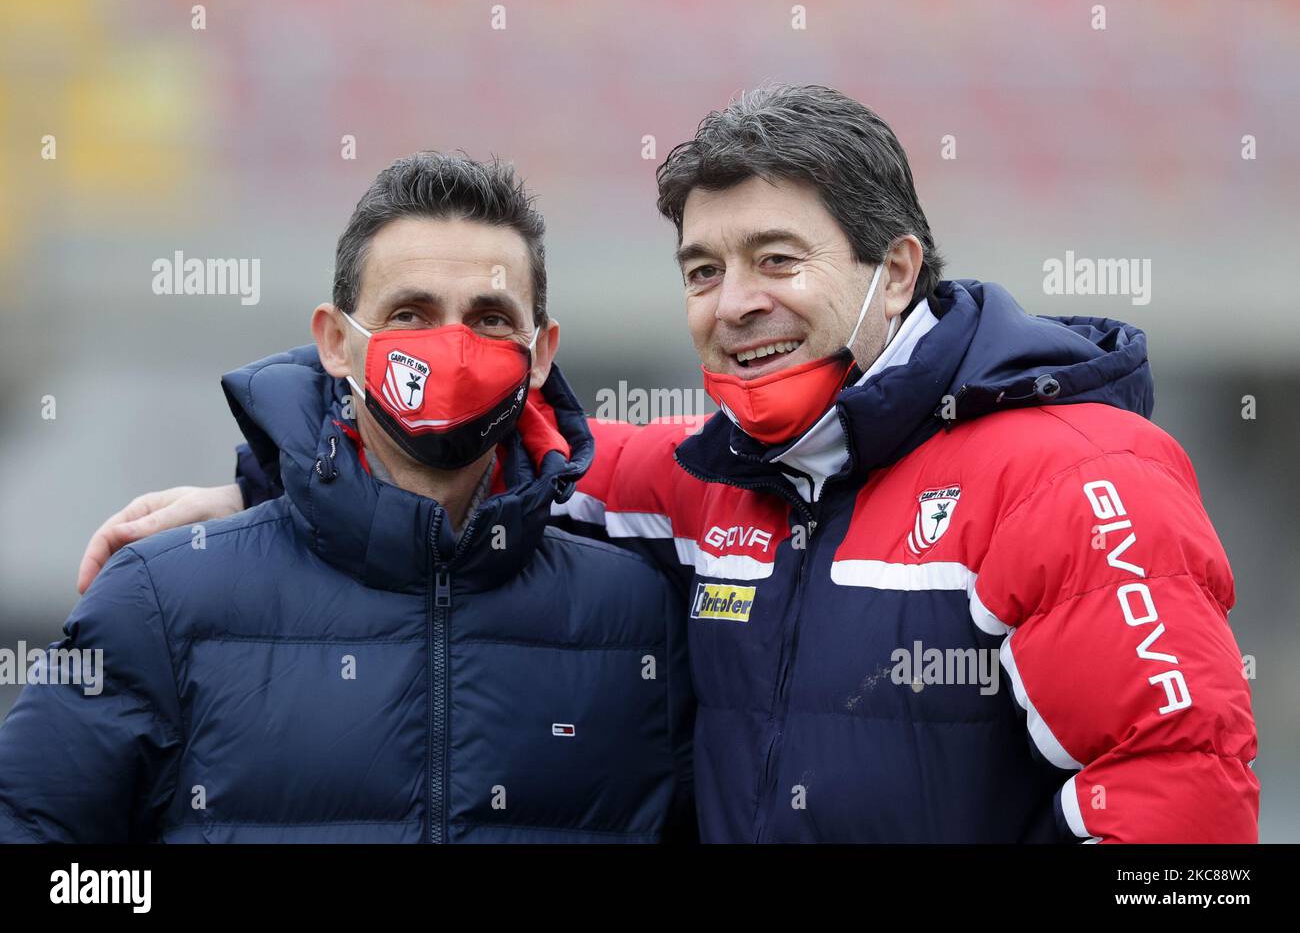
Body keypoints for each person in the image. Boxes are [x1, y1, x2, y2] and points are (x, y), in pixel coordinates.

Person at [74, 85, 1259, 843]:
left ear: (895, 270)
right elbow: (480, 453)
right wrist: (265, 484)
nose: (736, 304)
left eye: (777, 259)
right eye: (702, 270)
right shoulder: (711, 476)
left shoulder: (1078, 472)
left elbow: (1186, 810)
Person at [0, 152, 694, 843]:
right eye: (410, 314)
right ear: (335, 343)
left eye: (487, 319)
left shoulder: (639, 618)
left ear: (541, 355)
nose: (449, 349)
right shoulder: (159, 599)